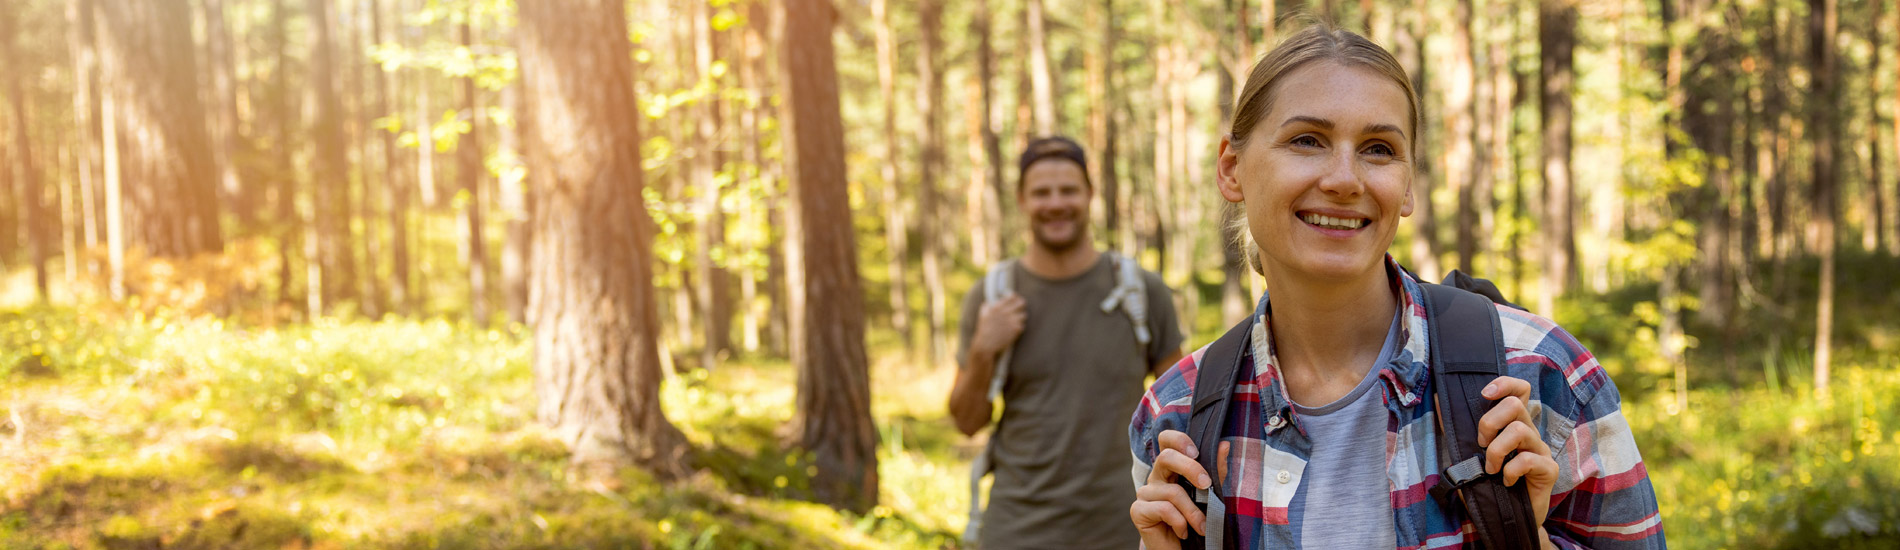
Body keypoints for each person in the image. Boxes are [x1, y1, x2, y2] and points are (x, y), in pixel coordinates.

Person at [1126, 25, 1665, 549]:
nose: (1344, 179)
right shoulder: (1177, 419)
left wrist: (1528, 540)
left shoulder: (1543, 376)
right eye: (1307, 140)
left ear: (1407, 185)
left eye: (1379, 149)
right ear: (1231, 168)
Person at [950, 136, 1187, 549]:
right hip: (1016, 528)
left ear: (1090, 194)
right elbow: (967, 421)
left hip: (1124, 526)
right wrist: (983, 349)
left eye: (1068, 190)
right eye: (1042, 192)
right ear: (1022, 200)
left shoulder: (1141, 292)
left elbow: (1181, 415)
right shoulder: (991, 297)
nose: (1056, 203)